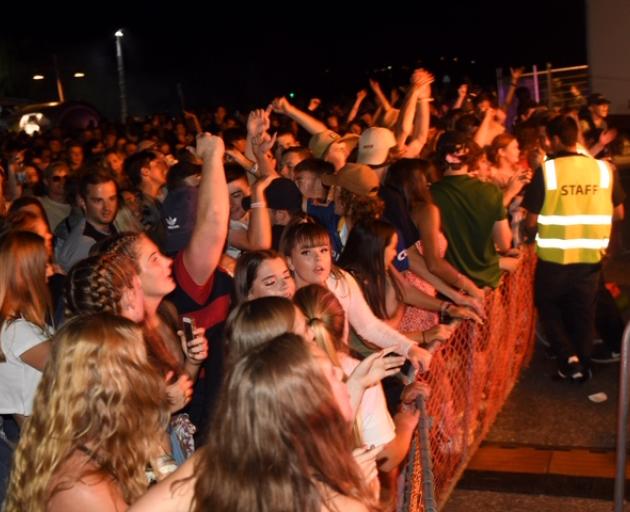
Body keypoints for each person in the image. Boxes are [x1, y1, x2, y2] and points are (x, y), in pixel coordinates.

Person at [129, 334, 380, 512]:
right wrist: (357, 489)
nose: (341, 373)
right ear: (303, 406)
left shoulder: (213, 464)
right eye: (329, 373)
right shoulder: (339, 506)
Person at [3, 313, 170, 512]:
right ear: (110, 383)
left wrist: (161, 456)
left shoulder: (118, 438)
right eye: (139, 362)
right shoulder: (80, 484)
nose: (150, 372)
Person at [523, 115, 625, 381]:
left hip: (554, 257)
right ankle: (584, 363)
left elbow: (531, 220)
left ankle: (568, 357)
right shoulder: (603, 169)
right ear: (577, 137)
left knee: (548, 305)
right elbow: (619, 213)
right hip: (591, 255)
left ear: (554, 140)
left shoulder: (547, 171)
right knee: (583, 311)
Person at [280, 220, 438, 371]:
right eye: (306, 252)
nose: (318, 259)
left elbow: (369, 326)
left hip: (341, 369)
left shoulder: (340, 280)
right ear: (290, 262)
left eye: (323, 250)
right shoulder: (285, 301)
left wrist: (409, 348)